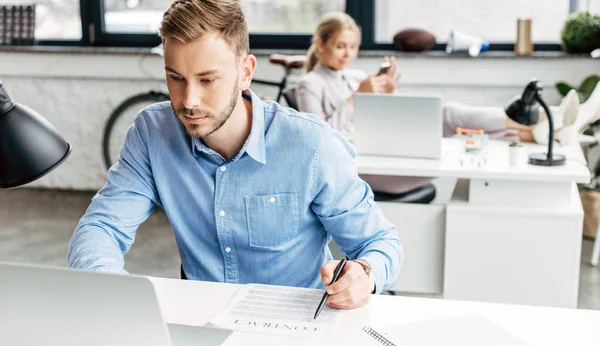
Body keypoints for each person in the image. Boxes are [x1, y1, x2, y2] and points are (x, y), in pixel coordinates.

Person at [67, 0, 402, 310]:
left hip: (296, 327)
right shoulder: (152, 133)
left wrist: (364, 273)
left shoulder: (312, 145)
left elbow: (381, 241)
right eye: (175, 78)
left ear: (245, 71)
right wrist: (114, 295)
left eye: (207, 79)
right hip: (202, 321)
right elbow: (102, 228)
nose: (189, 100)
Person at [296, 12, 581, 195]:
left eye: (353, 47)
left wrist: (389, 94)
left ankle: (540, 129)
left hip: (383, 150)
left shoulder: (356, 76)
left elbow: (387, 122)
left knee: (447, 114)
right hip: (359, 169)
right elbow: (319, 141)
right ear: (320, 45)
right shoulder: (310, 84)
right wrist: (356, 98)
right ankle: (544, 123)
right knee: (451, 128)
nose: (348, 54)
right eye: (340, 46)